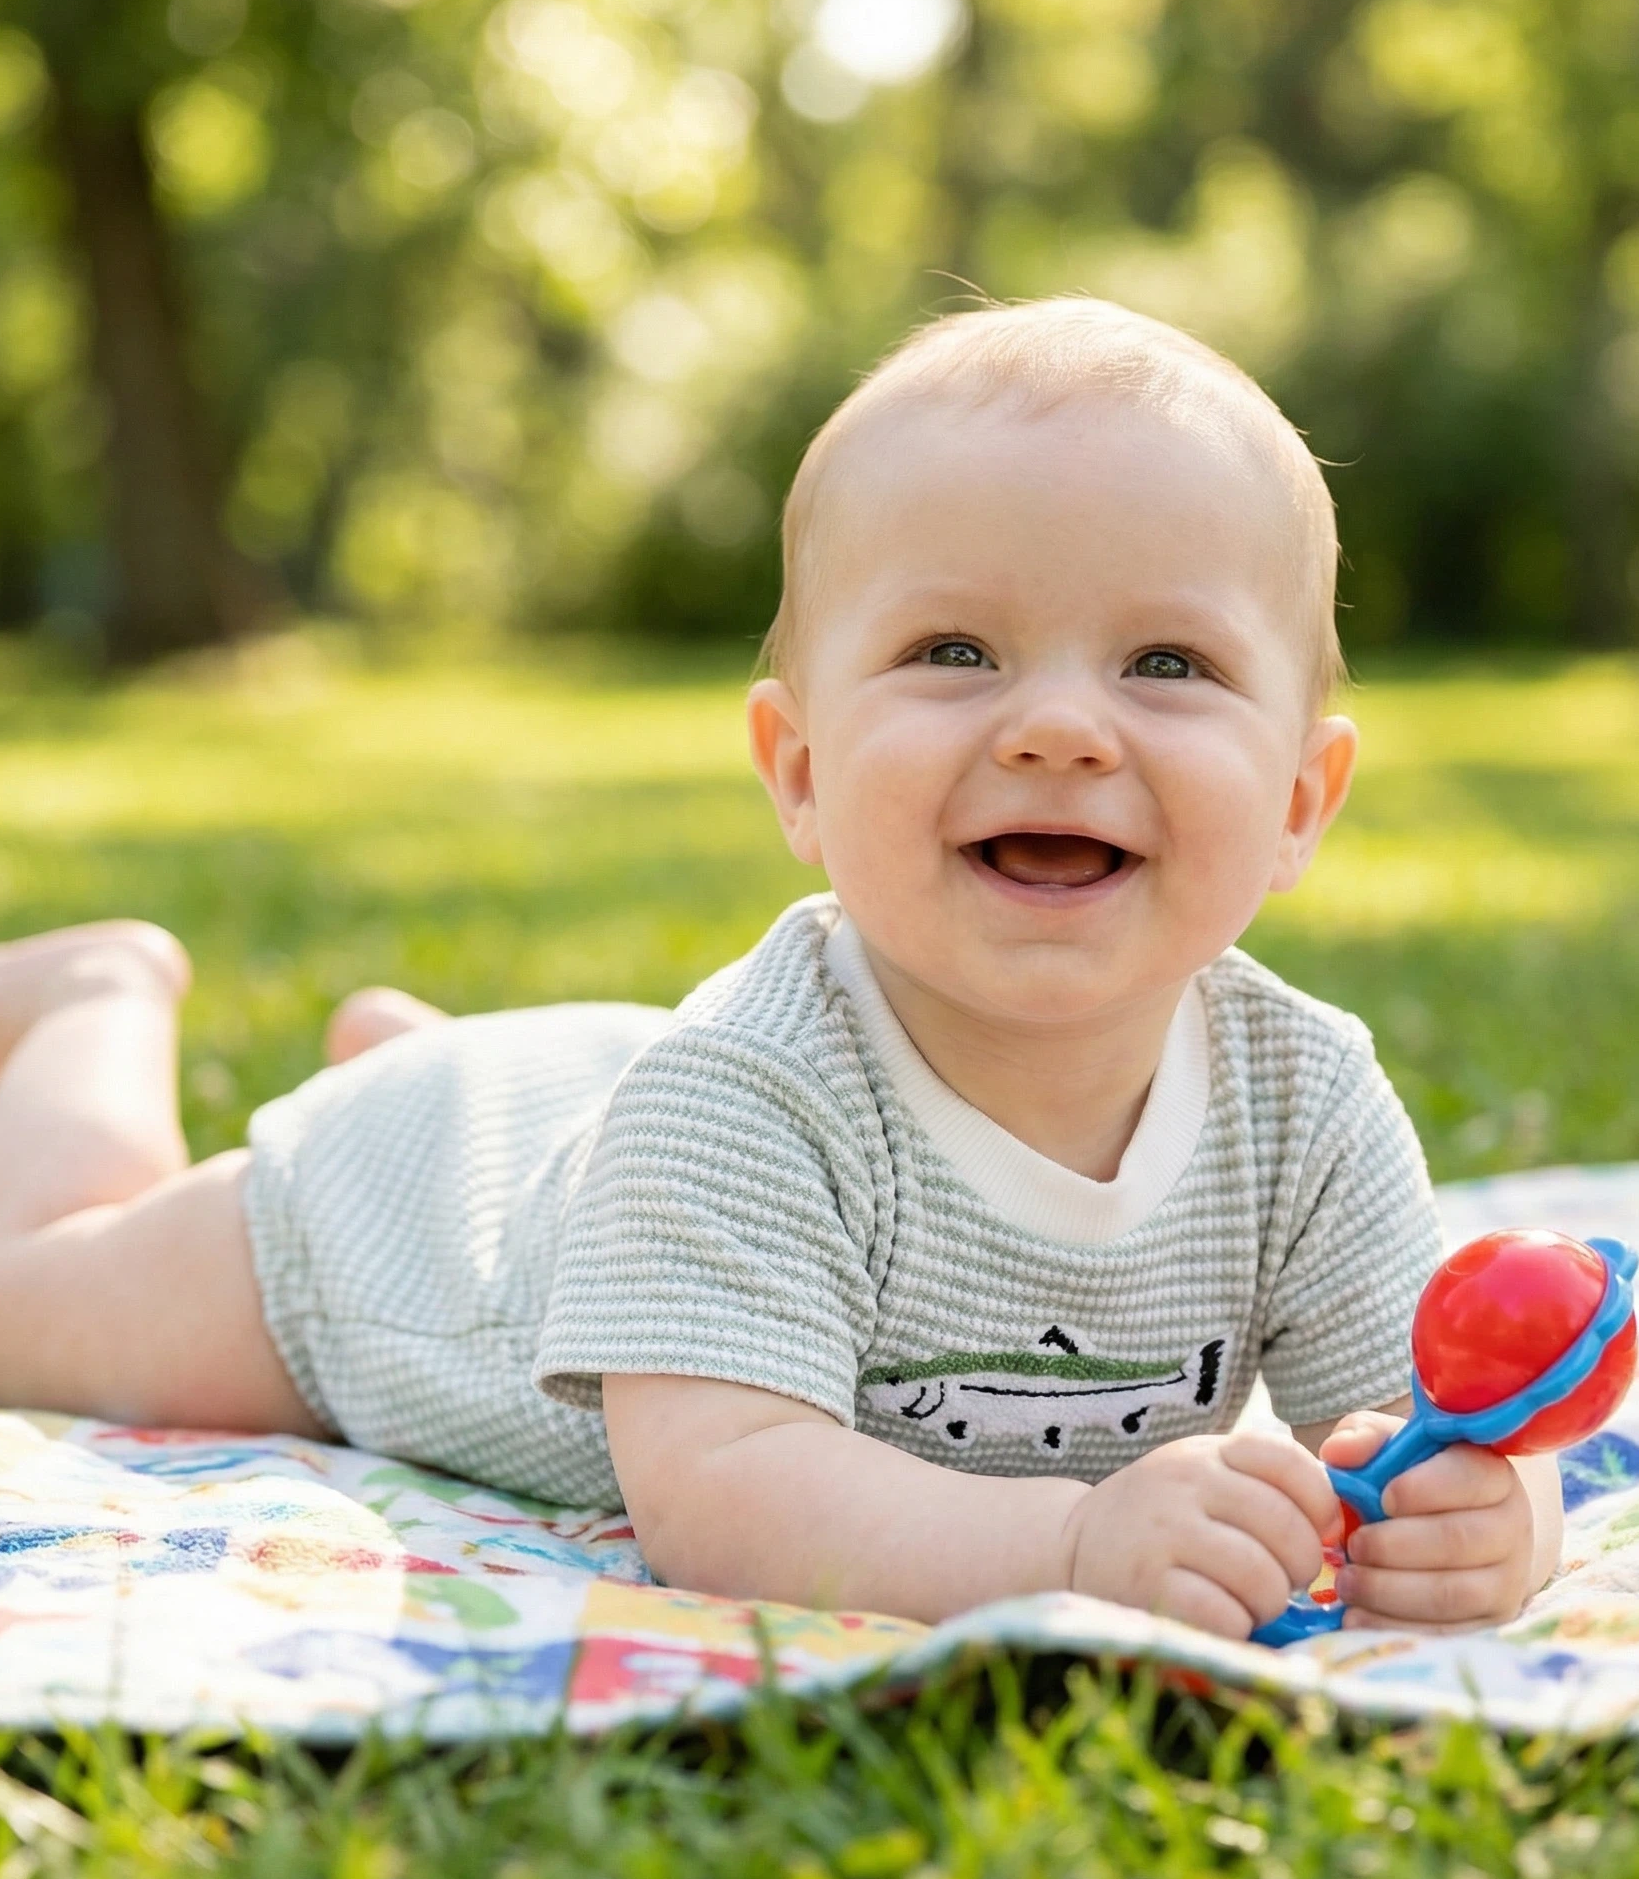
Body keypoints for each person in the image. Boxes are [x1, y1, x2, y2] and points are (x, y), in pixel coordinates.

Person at [0, 299, 1561, 1640]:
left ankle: (408, 1044)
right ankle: (104, 997)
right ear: (799, 769)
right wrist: (1068, 1549)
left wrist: (1490, 1521)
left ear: (1297, 802)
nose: (1057, 727)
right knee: (34, 1296)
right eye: (954, 651)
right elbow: (723, 1495)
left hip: (611, 1138)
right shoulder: (748, 1094)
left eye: (1168, 663)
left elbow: (1435, 1420)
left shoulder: (1303, 1104)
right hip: (398, 1229)